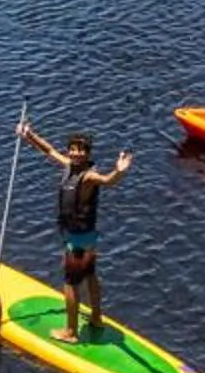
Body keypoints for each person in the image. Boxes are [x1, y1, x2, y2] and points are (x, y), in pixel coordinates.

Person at [18, 120, 131, 345]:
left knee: (70, 282)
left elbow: (107, 181)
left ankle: (71, 332)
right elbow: (48, 150)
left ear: (87, 154)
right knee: (89, 275)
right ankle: (97, 318)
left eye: (80, 151)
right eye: (72, 149)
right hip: (85, 236)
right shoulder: (69, 165)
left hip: (78, 239)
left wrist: (118, 172)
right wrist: (28, 135)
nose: (75, 154)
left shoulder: (88, 176)